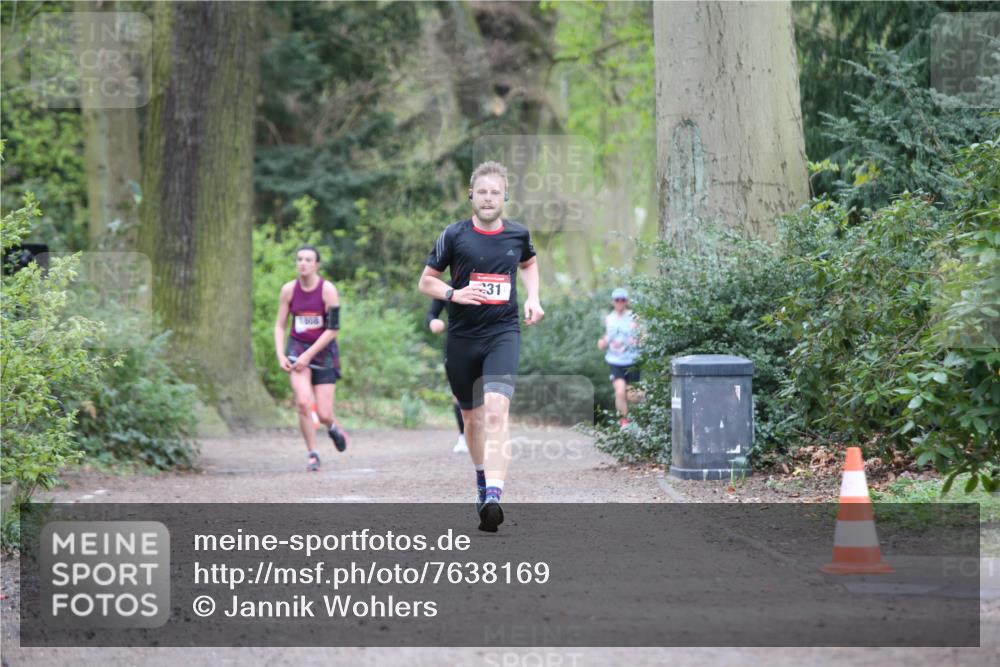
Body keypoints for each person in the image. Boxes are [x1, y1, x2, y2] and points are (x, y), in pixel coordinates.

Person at [419, 161, 544, 532]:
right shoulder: (453, 235)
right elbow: (426, 281)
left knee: (496, 411)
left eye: (496, 192)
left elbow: (530, 263)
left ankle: (494, 494)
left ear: (505, 196)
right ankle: (480, 478)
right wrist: (454, 293)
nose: (489, 198)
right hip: (462, 338)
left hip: (503, 333)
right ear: (471, 195)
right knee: (472, 419)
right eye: (482, 192)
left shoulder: (518, 234)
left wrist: (534, 298)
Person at [274, 246, 349, 471]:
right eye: (299, 259)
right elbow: (279, 325)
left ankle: (333, 427)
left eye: (308, 260)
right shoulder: (288, 290)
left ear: (317, 264)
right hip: (297, 348)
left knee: (324, 413)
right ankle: (313, 453)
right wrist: (281, 354)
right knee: (303, 402)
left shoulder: (328, 290)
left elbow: (333, 329)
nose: (303, 263)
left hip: (323, 352)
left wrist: (309, 354)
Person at [427, 288, 469, 453]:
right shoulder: (445, 287)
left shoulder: (485, 279)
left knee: (488, 393)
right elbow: (431, 314)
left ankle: (487, 434)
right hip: (456, 346)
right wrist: (433, 322)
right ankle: (462, 436)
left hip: (486, 343)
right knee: (458, 396)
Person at [597, 288, 642, 427]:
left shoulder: (634, 316)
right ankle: (624, 423)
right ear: (613, 302)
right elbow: (608, 335)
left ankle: (646, 399)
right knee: (619, 390)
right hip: (615, 361)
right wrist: (603, 341)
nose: (620, 302)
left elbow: (642, 335)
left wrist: (639, 340)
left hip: (632, 361)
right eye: (617, 300)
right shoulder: (609, 318)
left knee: (632, 396)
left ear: (627, 302)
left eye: (622, 300)